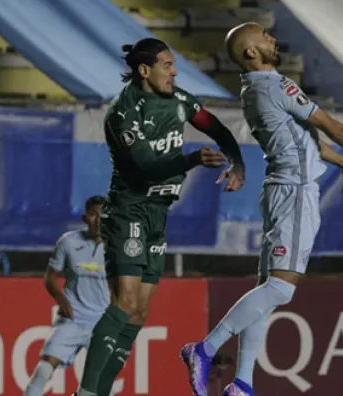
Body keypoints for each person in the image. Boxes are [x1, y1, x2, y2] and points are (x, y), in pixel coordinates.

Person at [181, 22, 343, 396]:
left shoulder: (254, 90)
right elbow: (332, 127)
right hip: (295, 193)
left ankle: (243, 383)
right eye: (264, 36)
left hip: (279, 188)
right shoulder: (274, 85)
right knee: (282, 290)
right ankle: (204, 349)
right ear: (252, 53)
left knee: (268, 290)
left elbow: (305, 140)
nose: (273, 39)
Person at [74, 38, 246, 396]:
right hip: (128, 211)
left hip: (157, 214)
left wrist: (237, 162)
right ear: (144, 70)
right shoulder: (124, 113)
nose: (174, 71)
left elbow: (216, 127)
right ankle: (87, 392)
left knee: (138, 313)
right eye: (167, 65)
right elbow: (146, 167)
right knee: (125, 301)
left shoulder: (181, 101)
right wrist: (191, 160)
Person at [25, 196, 110, 396]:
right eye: (93, 214)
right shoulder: (69, 242)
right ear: (84, 217)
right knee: (43, 371)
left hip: (102, 323)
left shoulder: (118, 248)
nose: (98, 220)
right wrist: (61, 300)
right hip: (72, 319)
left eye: (103, 215)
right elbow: (50, 276)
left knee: (95, 388)